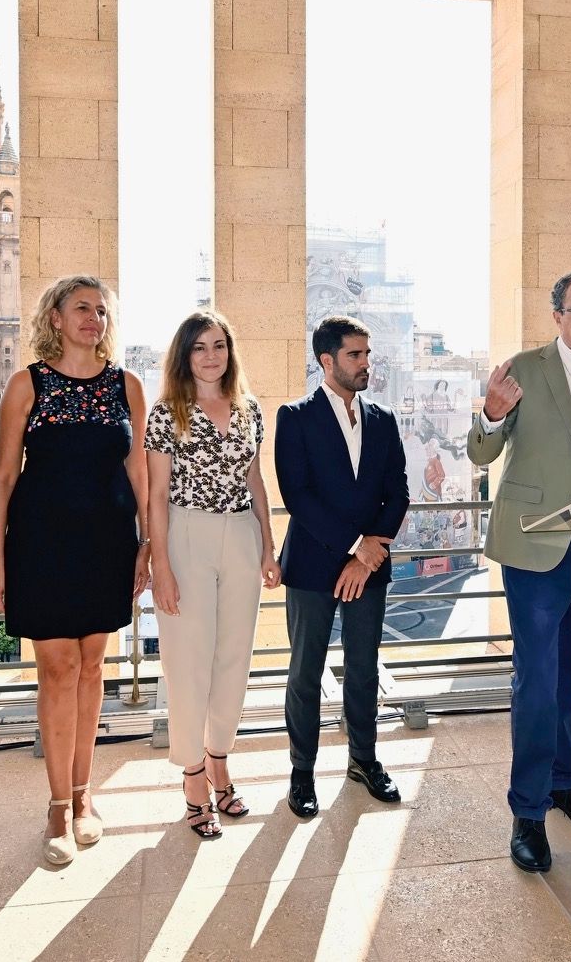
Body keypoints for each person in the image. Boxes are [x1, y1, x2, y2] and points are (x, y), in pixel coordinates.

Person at [467, 267, 571, 875]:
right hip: (538, 547)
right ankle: (529, 812)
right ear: (557, 315)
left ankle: (563, 784)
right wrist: (489, 413)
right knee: (537, 682)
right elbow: (481, 451)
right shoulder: (526, 369)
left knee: (569, 678)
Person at [0, 276, 149, 865]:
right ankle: (58, 805)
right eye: (81, 308)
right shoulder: (25, 384)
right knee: (57, 668)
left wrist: (147, 544)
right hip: (42, 544)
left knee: (92, 666)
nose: (93, 319)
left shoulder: (127, 385)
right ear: (54, 318)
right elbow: (3, 478)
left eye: (101, 310)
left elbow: (141, 474)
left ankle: (85, 797)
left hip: (107, 543)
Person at [144, 310, 281, 839]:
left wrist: (268, 548)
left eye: (218, 345)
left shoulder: (250, 410)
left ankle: (220, 758)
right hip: (186, 535)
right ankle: (194, 776)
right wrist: (161, 564)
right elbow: (155, 496)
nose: (210, 356)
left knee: (234, 658)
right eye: (199, 347)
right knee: (188, 661)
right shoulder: (166, 413)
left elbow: (256, 482)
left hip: (241, 536)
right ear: (184, 355)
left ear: (230, 351)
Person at [276, 315, 411, 819]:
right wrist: (356, 547)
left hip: (370, 565)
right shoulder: (294, 416)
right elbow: (298, 496)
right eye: (355, 355)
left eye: (367, 355)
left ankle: (364, 761)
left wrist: (371, 550)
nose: (366, 364)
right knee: (305, 672)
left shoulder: (384, 419)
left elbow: (397, 489)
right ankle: (302, 774)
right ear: (326, 360)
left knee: (363, 668)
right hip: (314, 565)